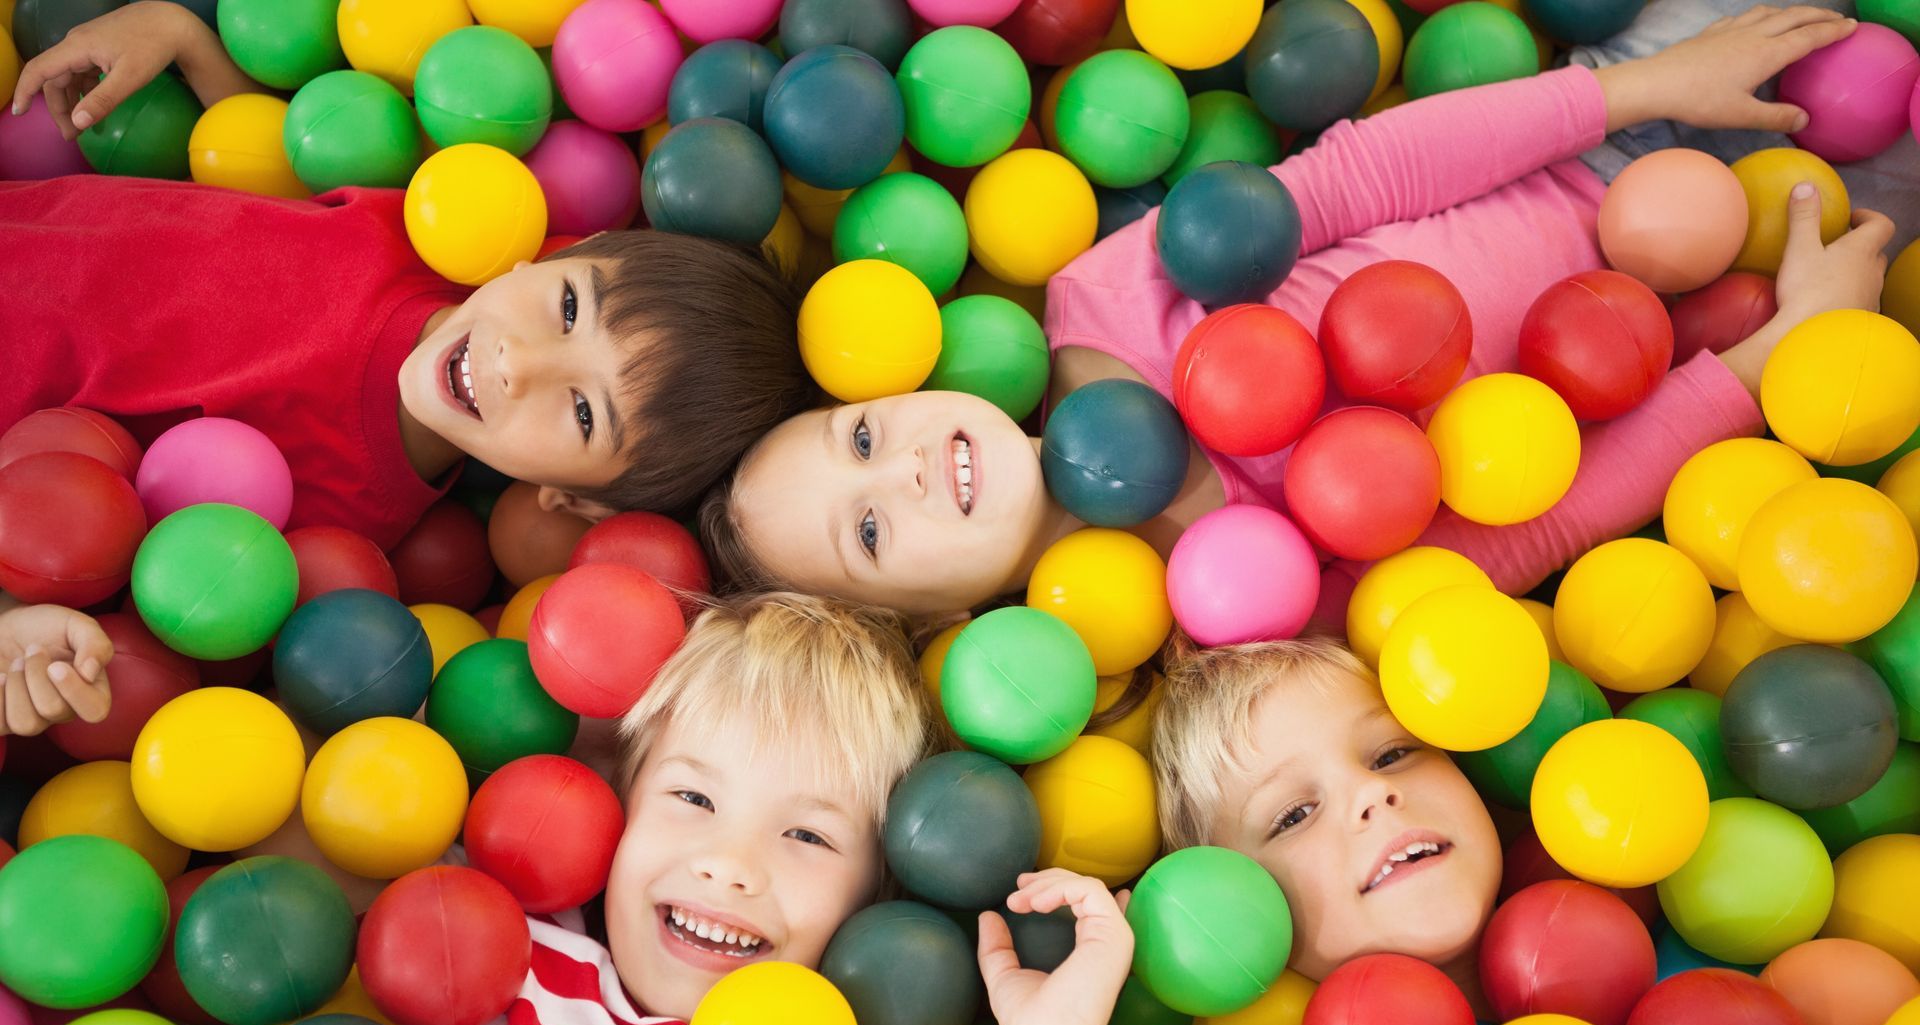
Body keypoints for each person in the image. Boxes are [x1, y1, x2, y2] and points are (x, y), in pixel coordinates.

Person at [696, 3, 1903, 620]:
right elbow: (1533, 525)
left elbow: (1366, 171)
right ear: (939, 619)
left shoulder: (1098, 302)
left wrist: (1638, 89)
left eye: (857, 438)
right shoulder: (1246, 599)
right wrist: (1772, 357)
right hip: (1717, 313)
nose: (898, 472)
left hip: (1599, 133)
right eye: (868, 534)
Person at [286, 591, 1136, 1025]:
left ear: (878, 896)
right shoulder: (497, 941)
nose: (730, 865)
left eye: (806, 836)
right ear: (619, 801)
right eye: (692, 799)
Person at [4, 1, 813, 550]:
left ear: (579, 501)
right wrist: (181, 34)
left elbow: (74, 533)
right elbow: (263, 173)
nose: (517, 363)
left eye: (582, 412)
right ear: (564, 247)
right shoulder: (418, 226)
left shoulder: (345, 518)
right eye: (568, 307)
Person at [1149, 633, 1750, 1025]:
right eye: (1293, 815)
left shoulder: (1712, 948)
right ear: (1234, 914)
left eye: (1392, 753)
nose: (1371, 795)